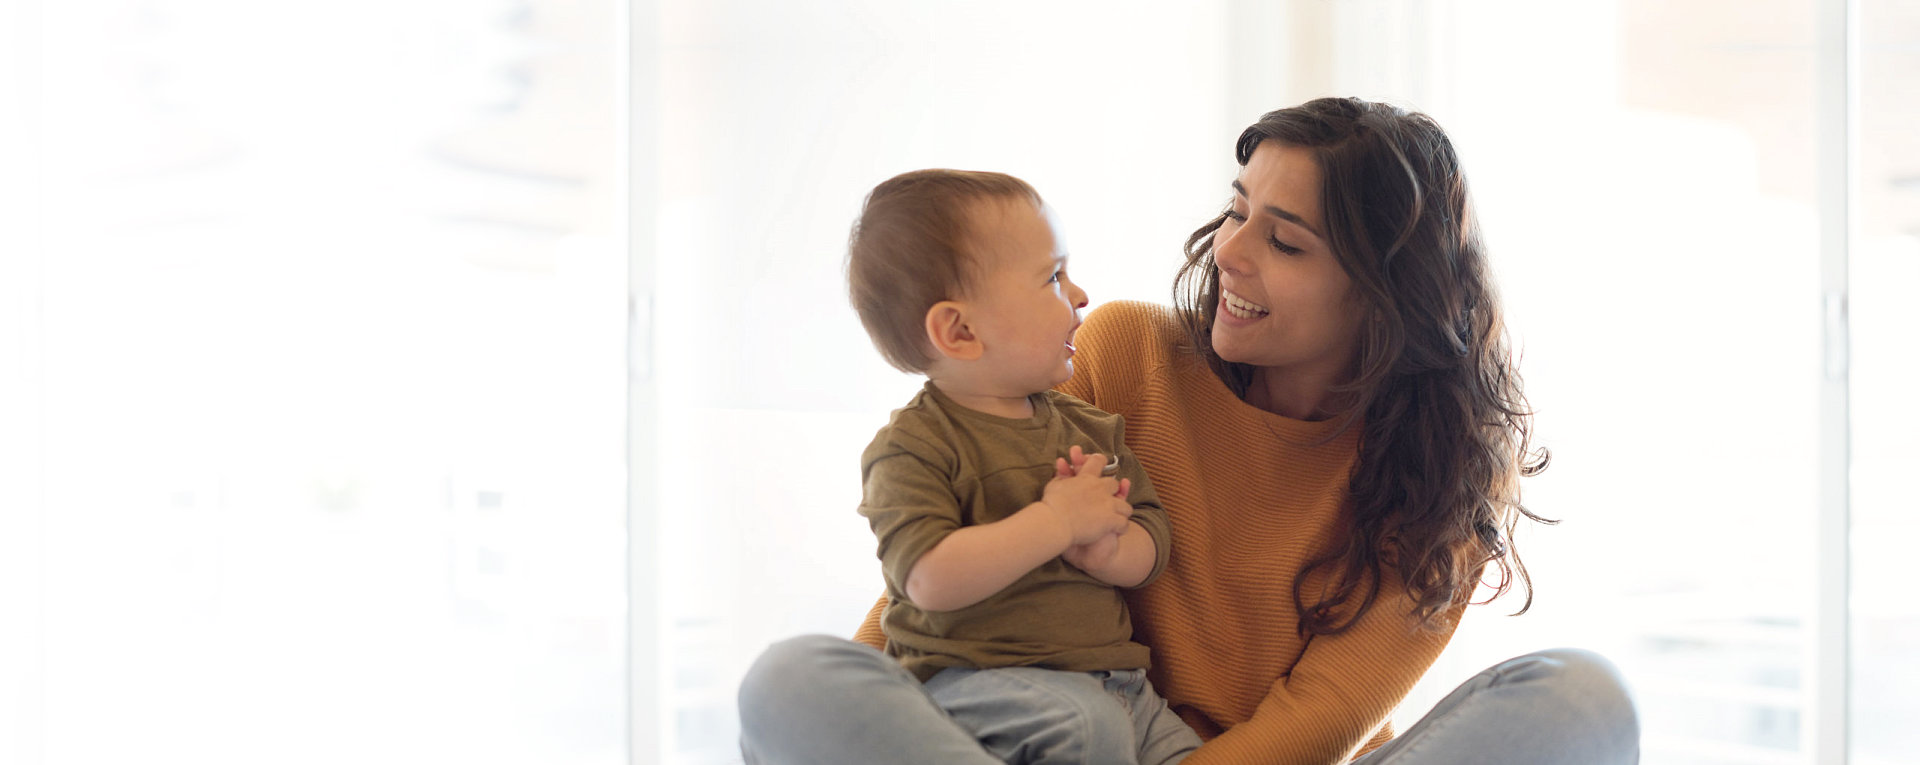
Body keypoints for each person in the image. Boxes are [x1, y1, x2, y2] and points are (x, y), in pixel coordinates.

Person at [739, 98, 1640, 765]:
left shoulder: (1439, 483)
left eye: (1285, 243)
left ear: (1383, 296)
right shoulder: (1119, 352)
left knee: (1577, 695)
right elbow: (935, 591)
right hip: (1047, 741)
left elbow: (1320, 720)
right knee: (793, 680)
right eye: (1238, 209)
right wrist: (860, 706)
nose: (1230, 252)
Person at [739, 169, 1205, 765]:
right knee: (1084, 728)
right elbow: (930, 579)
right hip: (978, 683)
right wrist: (1055, 525)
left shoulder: (1090, 426)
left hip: (1127, 689)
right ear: (960, 331)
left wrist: (1113, 550)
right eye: (1053, 277)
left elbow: (1153, 540)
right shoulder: (914, 446)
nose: (1080, 294)